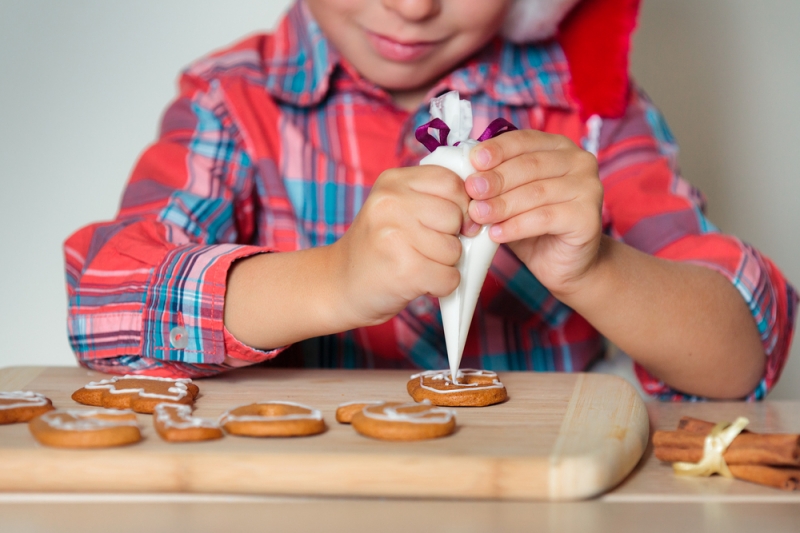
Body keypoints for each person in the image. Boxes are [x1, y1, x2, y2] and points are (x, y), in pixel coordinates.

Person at [63, 0, 797, 400]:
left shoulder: (593, 113)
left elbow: (740, 356)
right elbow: (102, 307)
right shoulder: (230, 103)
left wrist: (596, 268)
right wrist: (333, 281)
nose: (411, 7)